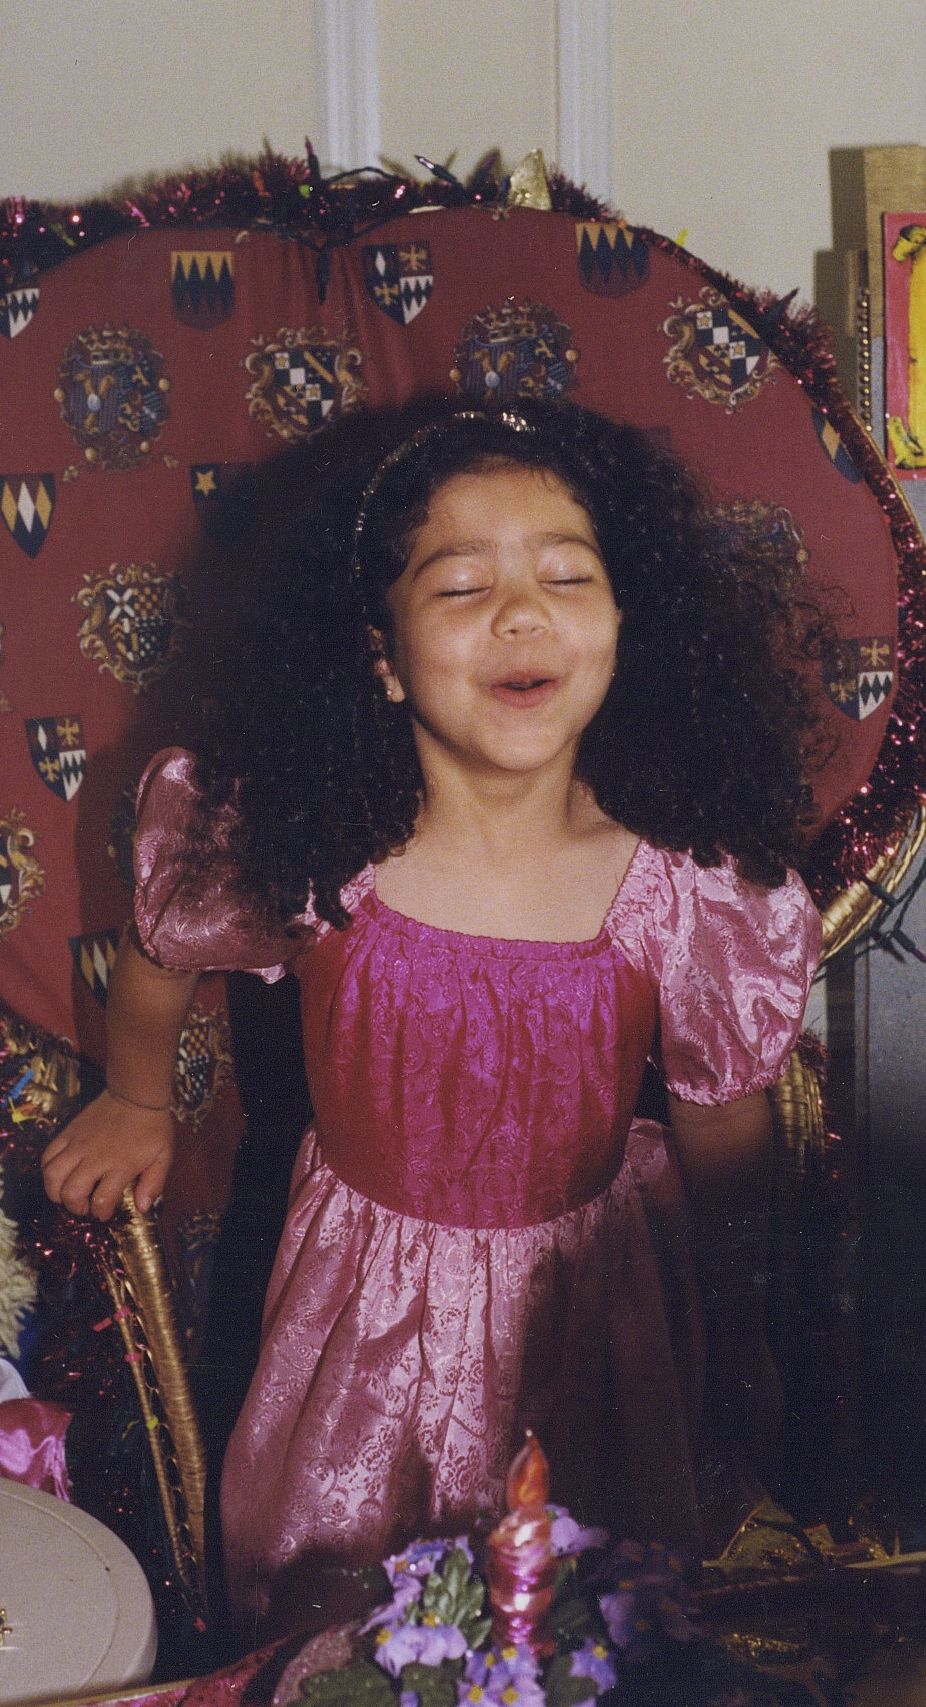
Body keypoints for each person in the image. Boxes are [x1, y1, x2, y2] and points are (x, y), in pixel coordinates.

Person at [41, 396, 826, 1638]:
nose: (520, 613)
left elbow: (722, 1123)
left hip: (595, 1317)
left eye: (566, 576)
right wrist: (138, 1097)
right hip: (365, 1315)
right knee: (346, 1621)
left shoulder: (683, 886)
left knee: (581, 1625)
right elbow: (161, 949)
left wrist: (739, 1333)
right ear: (383, 655)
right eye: (461, 587)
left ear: (630, 626)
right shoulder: (313, 850)